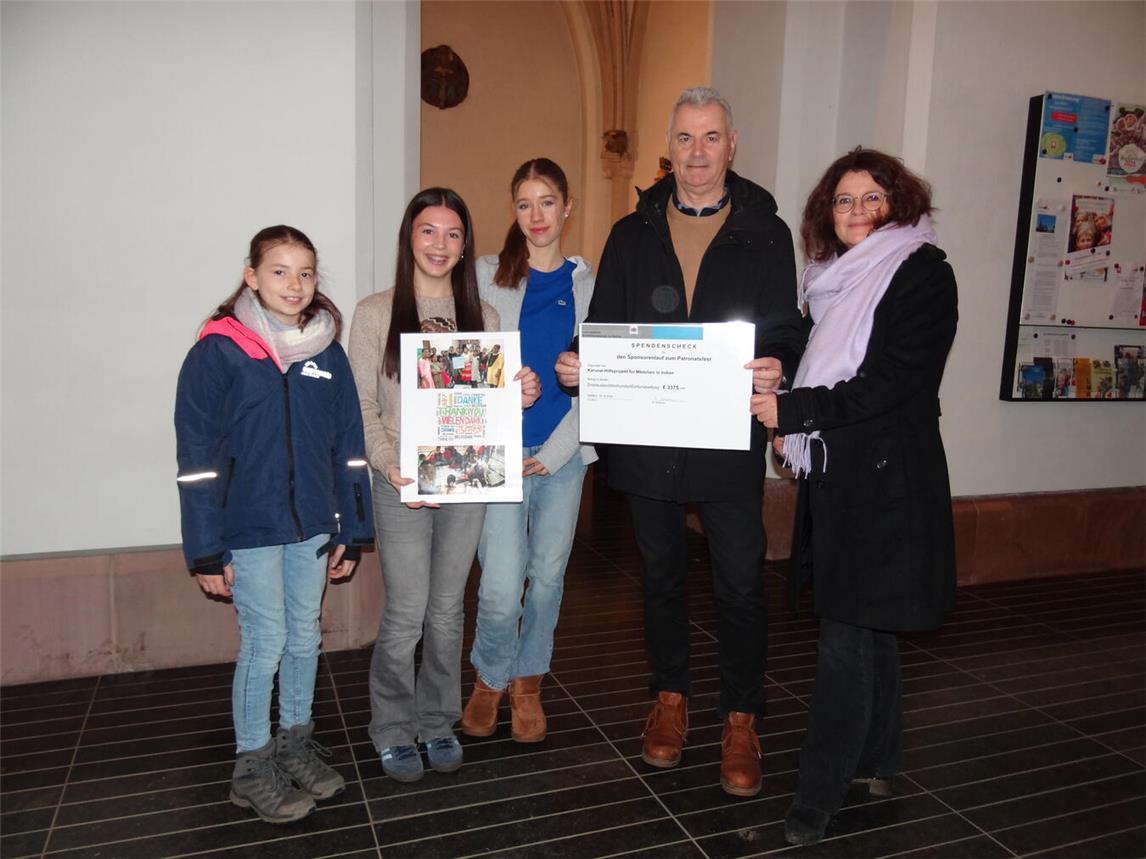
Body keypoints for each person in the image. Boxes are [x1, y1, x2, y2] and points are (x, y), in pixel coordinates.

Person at [555, 87, 806, 797]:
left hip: (726, 438)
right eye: (686, 139)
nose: (698, 153)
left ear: (733, 146)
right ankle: (669, 699)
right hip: (649, 439)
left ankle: (741, 715)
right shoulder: (633, 229)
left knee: (740, 580)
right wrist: (579, 361)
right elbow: (604, 321)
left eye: (711, 138)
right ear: (671, 148)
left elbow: (786, 324)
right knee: (661, 576)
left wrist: (778, 359)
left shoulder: (766, 231)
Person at [749, 148, 958, 845]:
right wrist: (786, 378)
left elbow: (891, 380)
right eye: (843, 200)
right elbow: (820, 359)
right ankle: (877, 759)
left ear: (898, 203)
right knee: (869, 626)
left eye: (872, 197)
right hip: (844, 478)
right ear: (826, 213)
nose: (856, 211)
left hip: (890, 484)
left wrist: (795, 410)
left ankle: (816, 795)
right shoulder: (831, 282)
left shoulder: (923, 274)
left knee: (845, 634)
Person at [175, 225, 373, 823]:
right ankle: (251, 765)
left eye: (306, 272)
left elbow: (350, 449)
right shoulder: (218, 351)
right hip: (250, 530)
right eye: (280, 271)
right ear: (251, 276)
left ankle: (293, 745)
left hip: (312, 528)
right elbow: (197, 461)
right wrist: (206, 550)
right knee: (266, 644)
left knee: (306, 637)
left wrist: (352, 530)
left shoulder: (327, 351)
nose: (295, 284)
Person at [348, 188, 539, 784]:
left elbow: (486, 410)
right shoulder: (376, 313)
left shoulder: (486, 317)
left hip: (467, 480)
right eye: (428, 231)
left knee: (448, 609)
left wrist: (518, 395)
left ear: (465, 246)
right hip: (402, 481)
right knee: (406, 612)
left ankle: (437, 720)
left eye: (452, 234)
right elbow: (361, 406)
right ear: (410, 238)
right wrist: (388, 464)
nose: (439, 244)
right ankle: (392, 727)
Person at [459, 158, 597, 744]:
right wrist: (502, 398)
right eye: (524, 204)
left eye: (547, 202)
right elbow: (462, 360)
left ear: (567, 206)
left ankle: (528, 683)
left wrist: (561, 449)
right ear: (512, 211)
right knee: (498, 584)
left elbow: (604, 379)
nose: (536, 216)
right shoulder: (488, 276)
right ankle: (490, 678)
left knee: (546, 577)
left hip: (563, 455)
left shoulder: (590, 285)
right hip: (496, 454)